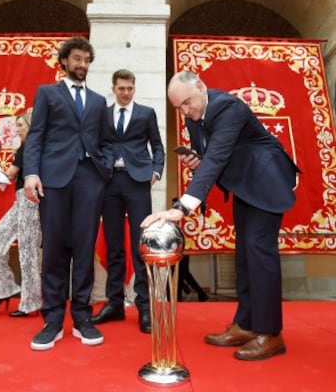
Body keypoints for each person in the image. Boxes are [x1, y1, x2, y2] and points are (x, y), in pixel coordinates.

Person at [141, 70, 300, 360]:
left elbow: (217, 158)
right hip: (244, 184)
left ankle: (270, 333)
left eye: (188, 102)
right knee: (244, 255)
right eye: (180, 108)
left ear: (201, 86)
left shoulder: (228, 107)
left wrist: (181, 208)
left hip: (266, 179)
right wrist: (196, 160)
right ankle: (247, 324)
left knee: (259, 253)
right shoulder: (193, 114)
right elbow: (209, 156)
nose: (186, 111)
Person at [23, 36, 112, 351]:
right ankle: (53, 320)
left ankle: (83, 317)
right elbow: (36, 136)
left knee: (85, 250)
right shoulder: (47, 94)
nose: (82, 65)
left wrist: (106, 170)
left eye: (87, 60)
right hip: (54, 180)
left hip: (90, 181)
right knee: (55, 250)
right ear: (64, 61)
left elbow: (105, 141)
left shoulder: (100, 102)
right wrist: (31, 173)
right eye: (77, 59)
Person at [91, 69, 165, 333]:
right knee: (113, 246)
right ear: (114, 88)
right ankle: (114, 304)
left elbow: (157, 145)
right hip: (110, 184)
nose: (125, 93)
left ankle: (144, 307)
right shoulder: (103, 114)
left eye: (129, 88)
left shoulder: (146, 113)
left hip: (138, 184)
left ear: (134, 88)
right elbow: (97, 145)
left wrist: (157, 170)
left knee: (140, 245)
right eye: (121, 88)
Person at [0, 112, 42, 317]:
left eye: (20, 125)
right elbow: (11, 178)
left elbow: (11, 174)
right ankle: (3, 289)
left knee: (27, 250)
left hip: (31, 201)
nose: (17, 129)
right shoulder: (25, 147)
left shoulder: (30, 145)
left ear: (30, 126)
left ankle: (31, 301)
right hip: (21, 200)